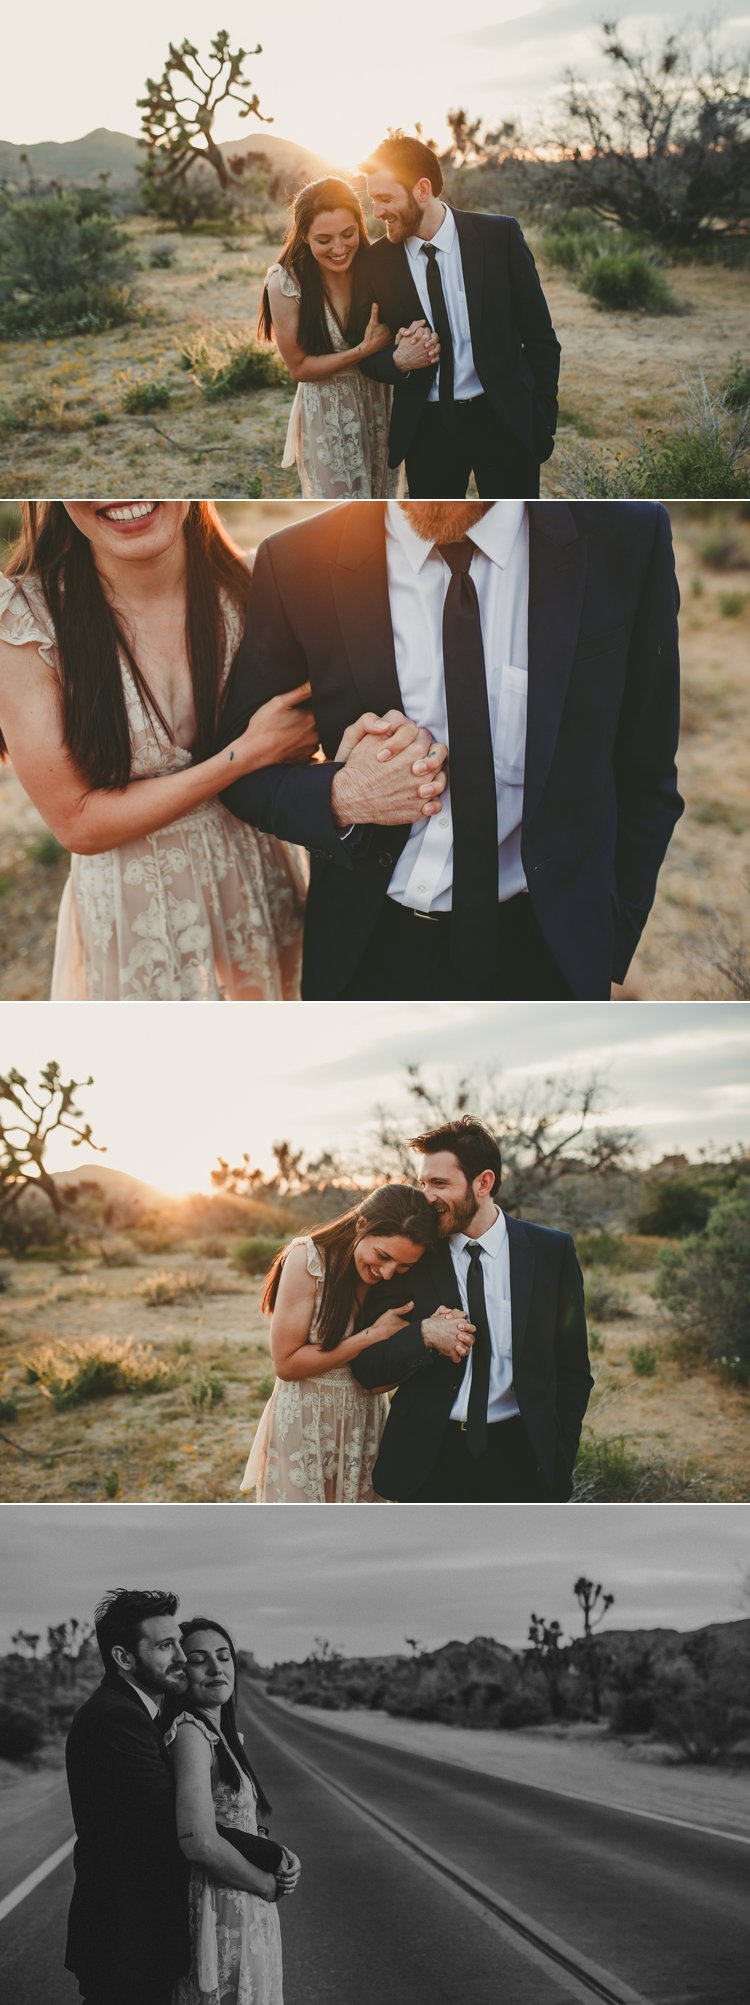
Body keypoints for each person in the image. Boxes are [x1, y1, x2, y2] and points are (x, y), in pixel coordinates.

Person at [219, 497, 683, 1002]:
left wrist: (605, 941)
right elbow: (244, 774)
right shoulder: (296, 560)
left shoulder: (629, 537)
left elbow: (648, 771)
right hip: (367, 953)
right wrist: (341, 796)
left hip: (551, 952)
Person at [0, 500, 314, 999]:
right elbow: (76, 822)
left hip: (261, 880)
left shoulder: (256, 582)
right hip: (139, 912)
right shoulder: (25, 620)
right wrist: (247, 755)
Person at [351, 1119, 594, 1503]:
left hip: (522, 1455)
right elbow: (368, 1368)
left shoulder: (551, 1252)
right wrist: (423, 1336)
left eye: (440, 1184)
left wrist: (559, 1453)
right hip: (428, 1459)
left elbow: (574, 1369)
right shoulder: (413, 1256)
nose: (426, 1197)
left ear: (483, 1183)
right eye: (423, 1184)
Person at [356, 131, 561, 499]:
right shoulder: (374, 263)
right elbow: (367, 354)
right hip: (427, 429)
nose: (377, 213)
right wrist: (399, 360)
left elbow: (541, 336)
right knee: (436, 540)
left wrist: (542, 415)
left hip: (504, 420)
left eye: (386, 199)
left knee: (513, 532)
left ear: (422, 189)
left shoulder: (500, 237)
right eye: (372, 200)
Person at [241, 1183, 439, 1501]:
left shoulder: (394, 1282)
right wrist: (370, 1336)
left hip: (364, 1420)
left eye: (404, 1265)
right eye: (382, 1256)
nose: (388, 1273)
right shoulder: (308, 1260)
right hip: (306, 1418)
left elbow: (380, 1378)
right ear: (362, 1224)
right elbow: (286, 1364)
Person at [259, 177, 436, 498]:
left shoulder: (378, 266)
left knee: (382, 504)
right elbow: (300, 368)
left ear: (360, 226)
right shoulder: (285, 282)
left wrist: (412, 340)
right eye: (324, 240)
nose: (339, 249)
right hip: (327, 412)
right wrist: (362, 351)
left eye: (348, 234)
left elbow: (407, 324)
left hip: (380, 402)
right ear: (304, 237)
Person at [64, 1588, 192, 2005]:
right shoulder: (117, 1718)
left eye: (179, 1643)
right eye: (165, 1645)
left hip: (131, 1940)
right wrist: (266, 1855)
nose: (182, 1656)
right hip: (125, 1940)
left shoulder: (136, 1713)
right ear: (123, 1658)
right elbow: (172, 1821)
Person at [166, 1616, 300, 2005]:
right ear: (181, 1670)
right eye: (198, 1659)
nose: (216, 1668)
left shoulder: (219, 1733)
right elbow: (198, 1840)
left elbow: (230, 1822)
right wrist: (266, 1883)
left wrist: (275, 1853)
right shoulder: (191, 1733)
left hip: (244, 1902)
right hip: (223, 1903)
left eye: (224, 1656)